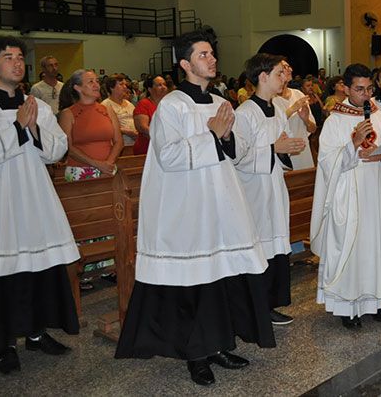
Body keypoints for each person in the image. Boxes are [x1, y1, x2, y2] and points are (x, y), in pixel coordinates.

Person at [115, 30, 276, 386]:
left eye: (212, 53)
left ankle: (219, 344)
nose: (212, 59)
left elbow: (239, 151)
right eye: (203, 55)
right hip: (188, 205)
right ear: (185, 64)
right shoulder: (172, 106)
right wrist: (213, 135)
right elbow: (169, 156)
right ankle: (196, 355)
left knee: (220, 279)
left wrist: (227, 136)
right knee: (194, 283)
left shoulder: (220, 101)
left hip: (220, 201)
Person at [0, 36, 79, 374]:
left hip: (34, 197)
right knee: (6, 272)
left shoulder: (37, 105)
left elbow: (56, 150)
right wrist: (18, 126)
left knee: (37, 269)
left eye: (19, 57)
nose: (17, 63)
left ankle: (35, 332)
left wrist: (33, 127)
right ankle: (4, 344)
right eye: (8, 57)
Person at [310, 63, 381, 328]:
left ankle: (374, 302)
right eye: (359, 89)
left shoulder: (380, 117)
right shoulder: (335, 121)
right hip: (348, 195)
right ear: (346, 89)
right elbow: (327, 162)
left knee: (375, 245)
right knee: (351, 248)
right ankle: (347, 307)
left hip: (377, 194)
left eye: (369, 88)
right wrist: (353, 144)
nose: (366, 94)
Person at [232, 53, 306, 328]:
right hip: (253, 191)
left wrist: (287, 148)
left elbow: (281, 145)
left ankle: (269, 304)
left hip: (274, 186)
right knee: (259, 247)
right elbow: (237, 156)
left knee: (275, 246)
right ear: (263, 77)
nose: (285, 77)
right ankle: (254, 308)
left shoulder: (276, 108)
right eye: (279, 73)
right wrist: (275, 148)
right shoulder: (244, 113)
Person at [58, 70, 123, 181]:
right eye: (90, 82)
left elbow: (119, 141)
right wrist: (97, 164)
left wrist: (108, 163)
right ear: (78, 88)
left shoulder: (107, 110)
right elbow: (68, 147)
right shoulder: (68, 114)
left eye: (97, 81)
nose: (96, 85)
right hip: (80, 171)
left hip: (108, 169)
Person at [272, 61, 317, 170]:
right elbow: (273, 124)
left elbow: (313, 129)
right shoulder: (271, 98)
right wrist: (293, 109)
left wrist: (306, 120)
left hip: (302, 151)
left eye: (289, 66)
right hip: (283, 153)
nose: (290, 69)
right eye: (285, 67)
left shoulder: (298, 94)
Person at [132, 75, 168, 155]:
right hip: (147, 149)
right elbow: (143, 128)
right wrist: (163, 138)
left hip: (166, 149)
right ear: (150, 89)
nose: (163, 87)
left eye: (164, 84)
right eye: (159, 85)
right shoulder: (144, 104)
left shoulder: (168, 105)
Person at [101, 74, 138, 148]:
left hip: (134, 143)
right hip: (119, 146)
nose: (125, 87)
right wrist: (124, 131)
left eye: (125, 84)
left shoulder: (129, 104)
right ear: (112, 87)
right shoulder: (105, 105)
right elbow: (105, 128)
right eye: (121, 84)